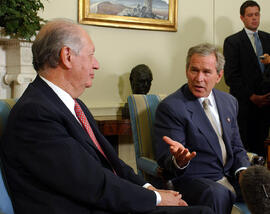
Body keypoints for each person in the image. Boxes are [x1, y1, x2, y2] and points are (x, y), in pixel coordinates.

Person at [0, 20, 213, 214]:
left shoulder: (75, 105)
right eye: (91, 54)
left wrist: (150, 188)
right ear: (67, 56)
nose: (96, 64)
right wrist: (156, 198)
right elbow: (89, 182)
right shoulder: (36, 113)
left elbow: (114, 164)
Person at [154, 43, 250, 214]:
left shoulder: (229, 102)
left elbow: (237, 147)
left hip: (229, 176)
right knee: (218, 194)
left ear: (219, 75)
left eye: (206, 72)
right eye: (194, 70)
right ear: (186, 70)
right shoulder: (171, 107)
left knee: (263, 184)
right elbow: (167, 158)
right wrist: (179, 160)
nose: (199, 78)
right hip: (194, 180)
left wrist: (243, 172)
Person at [223, 0, 270, 157]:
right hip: (245, 106)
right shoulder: (232, 42)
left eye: (256, 14)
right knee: (246, 149)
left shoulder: (268, 38)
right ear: (242, 18)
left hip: (267, 105)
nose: (254, 18)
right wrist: (252, 96)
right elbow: (231, 77)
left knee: (264, 151)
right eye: (250, 15)